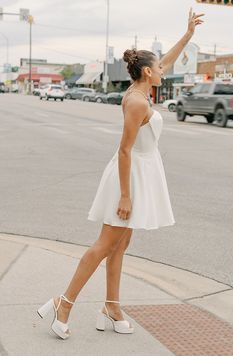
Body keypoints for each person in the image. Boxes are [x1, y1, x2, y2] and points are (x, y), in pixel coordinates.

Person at [37, 8, 204, 340]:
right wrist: (126, 195)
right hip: (129, 176)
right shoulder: (137, 103)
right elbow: (125, 150)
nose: (163, 70)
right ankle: (63, 303)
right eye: (158, 68)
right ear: (146, 72)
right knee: (105, 244)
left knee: (121, 243)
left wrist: (187, 35)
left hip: (141, 172)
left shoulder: (143, 90)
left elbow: (167, 59)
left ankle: (111, 307)